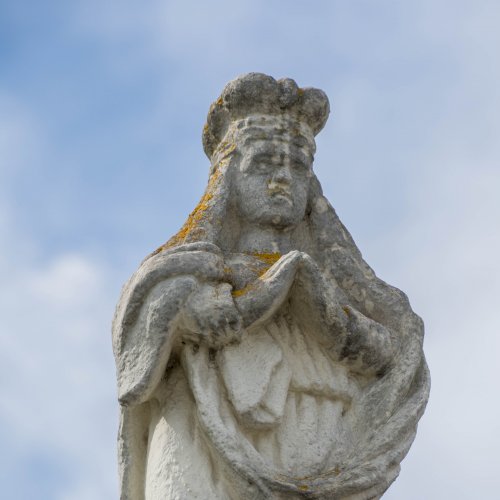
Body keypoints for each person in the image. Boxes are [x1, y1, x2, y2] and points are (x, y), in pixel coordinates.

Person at [113, 73, 429, 499]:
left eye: (297, 166)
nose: (282, 178)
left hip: (322, 438)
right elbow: (150, 332)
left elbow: (394, 351)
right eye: (262, 164)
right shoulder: (186, 271)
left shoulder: (335, 283)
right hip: (203, 437)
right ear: (229, 174)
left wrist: (317, 301)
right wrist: (267, 290)